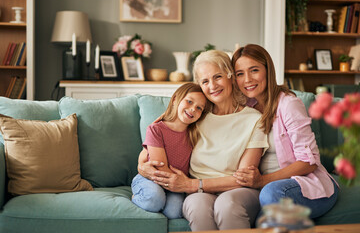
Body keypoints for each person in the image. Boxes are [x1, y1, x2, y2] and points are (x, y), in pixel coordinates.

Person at [137, 50, 269, 230]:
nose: (212, 85)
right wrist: (141, 166)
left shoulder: (255, 119)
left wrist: (192, 185)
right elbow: (161, 136)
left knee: (226, 205)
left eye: (218, 77)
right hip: (198, 192)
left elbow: (244, 178)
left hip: (238, 190)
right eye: (205, 81)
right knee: (197, 207)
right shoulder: (197, 115)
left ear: (230, 76)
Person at [231, 44, 339, 219]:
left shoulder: (288, 104)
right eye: (240, 74)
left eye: (254, 70)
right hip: (262, 187)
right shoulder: (245, 107)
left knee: (270, 194)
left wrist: (262, 181)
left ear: (268, 70)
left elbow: (309, 160)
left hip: (300, 184)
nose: (247, 80)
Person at [131, 82, 210, 219]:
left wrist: (183, 184)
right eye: (189, 101)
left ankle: (161, 202)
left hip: (175, 185)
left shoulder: (194, 133)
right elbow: (160, 168)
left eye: (199, 108)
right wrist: (183, 183)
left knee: (174, 212)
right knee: (154, 199)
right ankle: (137, 197)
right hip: (152, 179)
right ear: (175, 100)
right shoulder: (156, 129)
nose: (192, 109)